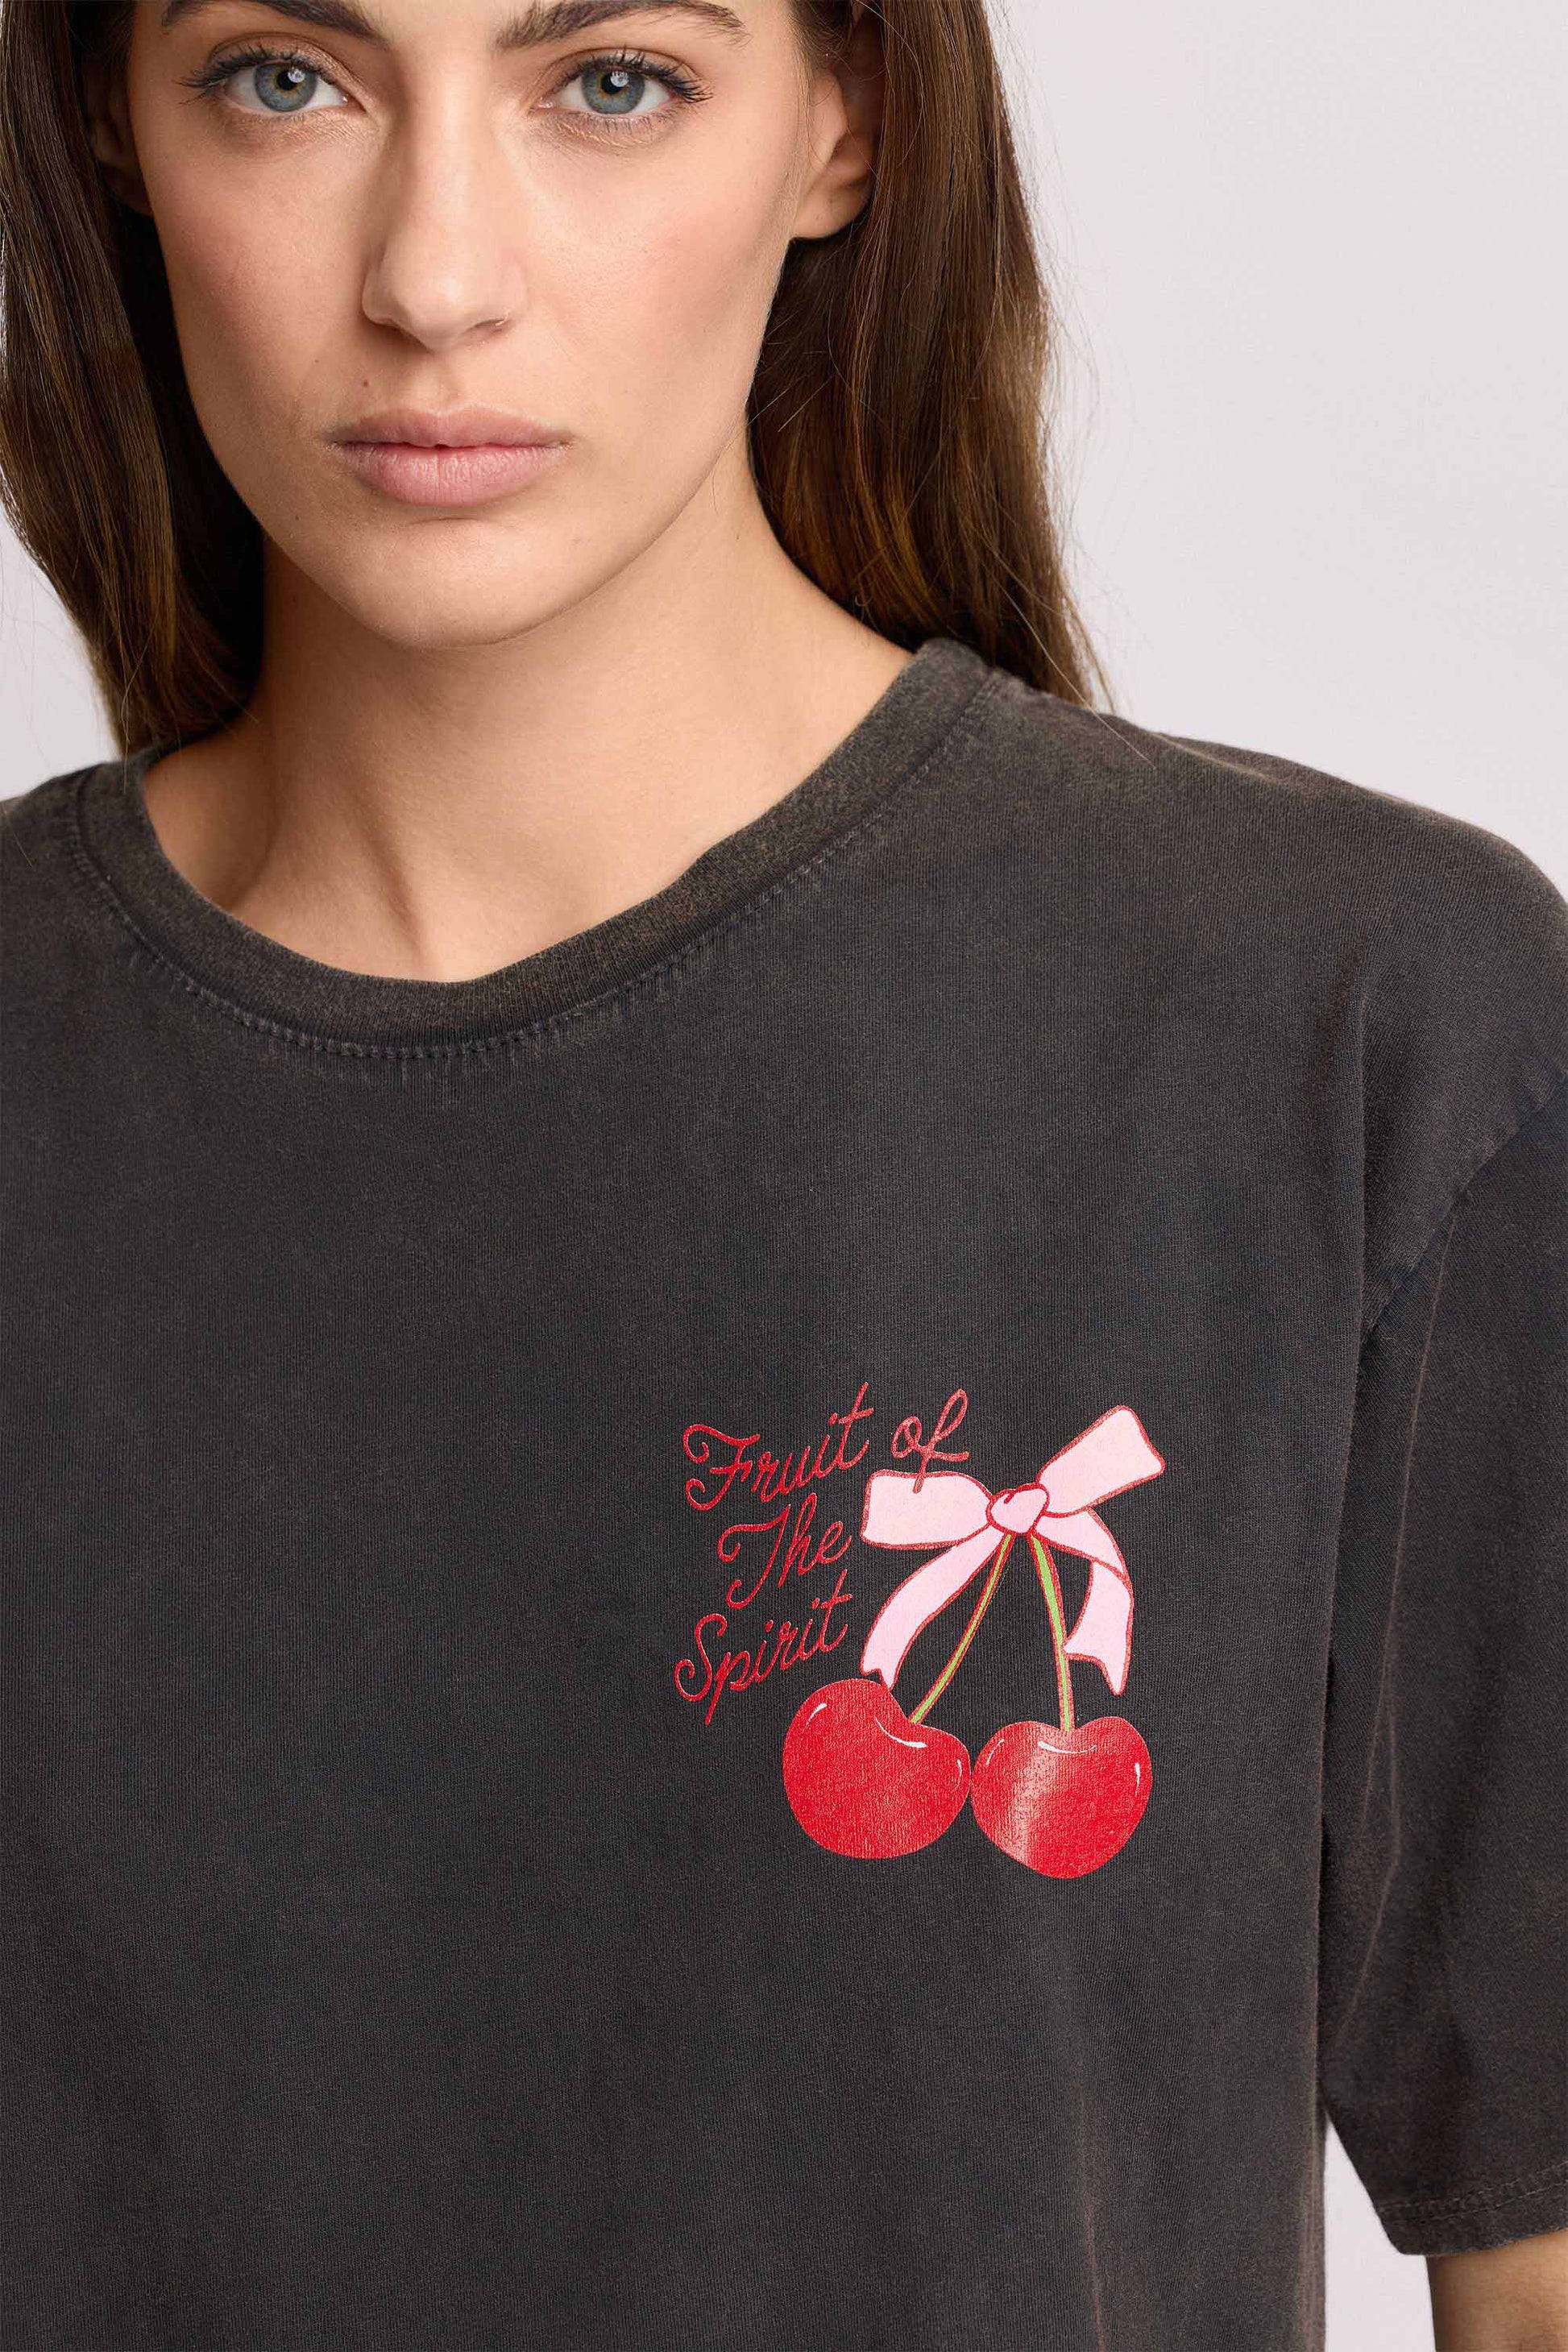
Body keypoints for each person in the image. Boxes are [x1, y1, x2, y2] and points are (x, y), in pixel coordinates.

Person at [0, 2, 1562, 2346]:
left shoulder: (1344, 1025)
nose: (434, 276)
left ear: (845, 123)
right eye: (286, 77)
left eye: (611, 81)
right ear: (110, 127)